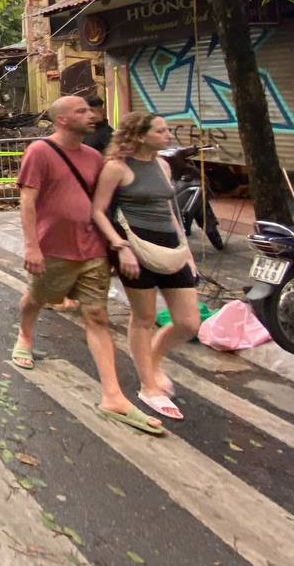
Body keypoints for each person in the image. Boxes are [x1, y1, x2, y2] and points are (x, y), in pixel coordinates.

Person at [12, 95, 164, 436]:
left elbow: (102, 203)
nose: (91, 115)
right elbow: (27, 201)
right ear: (63, 119)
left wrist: (116, 245)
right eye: (81, 111)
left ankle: (112, 395)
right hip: (54, 249)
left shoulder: (95, 157)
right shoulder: (40, 152)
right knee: (37, 299)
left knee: (97, 315)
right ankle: (25, 335)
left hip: (92, 248)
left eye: (90, 109)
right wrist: (32, 245)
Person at [93, 113, 200, 423]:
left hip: (170, 248)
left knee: (189, 322)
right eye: (160, 130)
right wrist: (119, 246)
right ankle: (147, 385)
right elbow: (98, 211)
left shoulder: (163, 165)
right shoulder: (116, 168)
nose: (168, 135)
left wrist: (187, 251)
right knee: (144, 318)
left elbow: (171, 210)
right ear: (139, 136)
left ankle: (152, 360)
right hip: (135, 249)